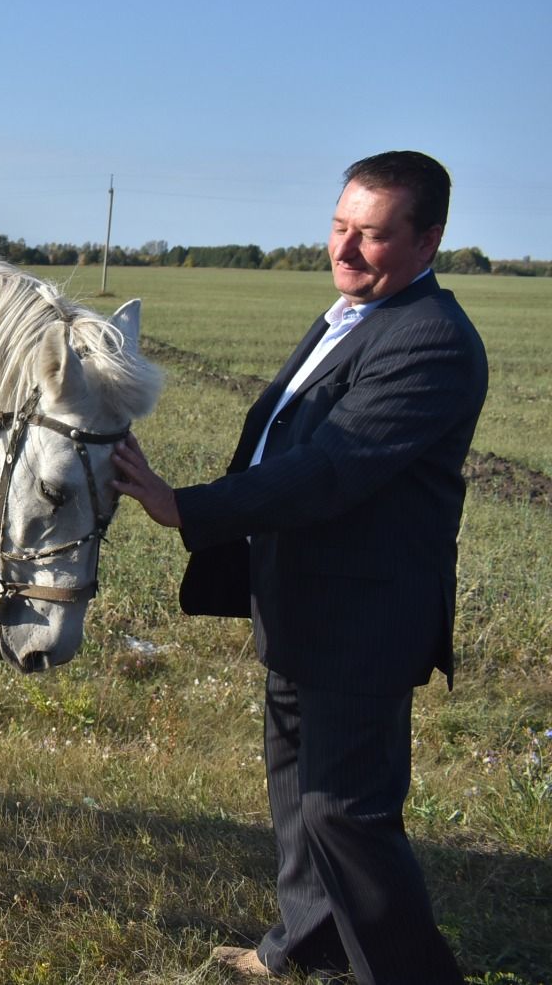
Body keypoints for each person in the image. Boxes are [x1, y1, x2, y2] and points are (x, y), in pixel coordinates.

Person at [111, 150, 486, 983]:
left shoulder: (430, 341)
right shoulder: (353, 314)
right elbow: (286, 432)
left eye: (374, 236)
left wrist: (189, 506)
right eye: (339, 226)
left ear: (429, 241)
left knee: (345, 812)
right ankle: (305, 940)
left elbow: (331, 469)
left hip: (364, 619)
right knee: (295, 791)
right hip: (302, 603)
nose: (346, 250)